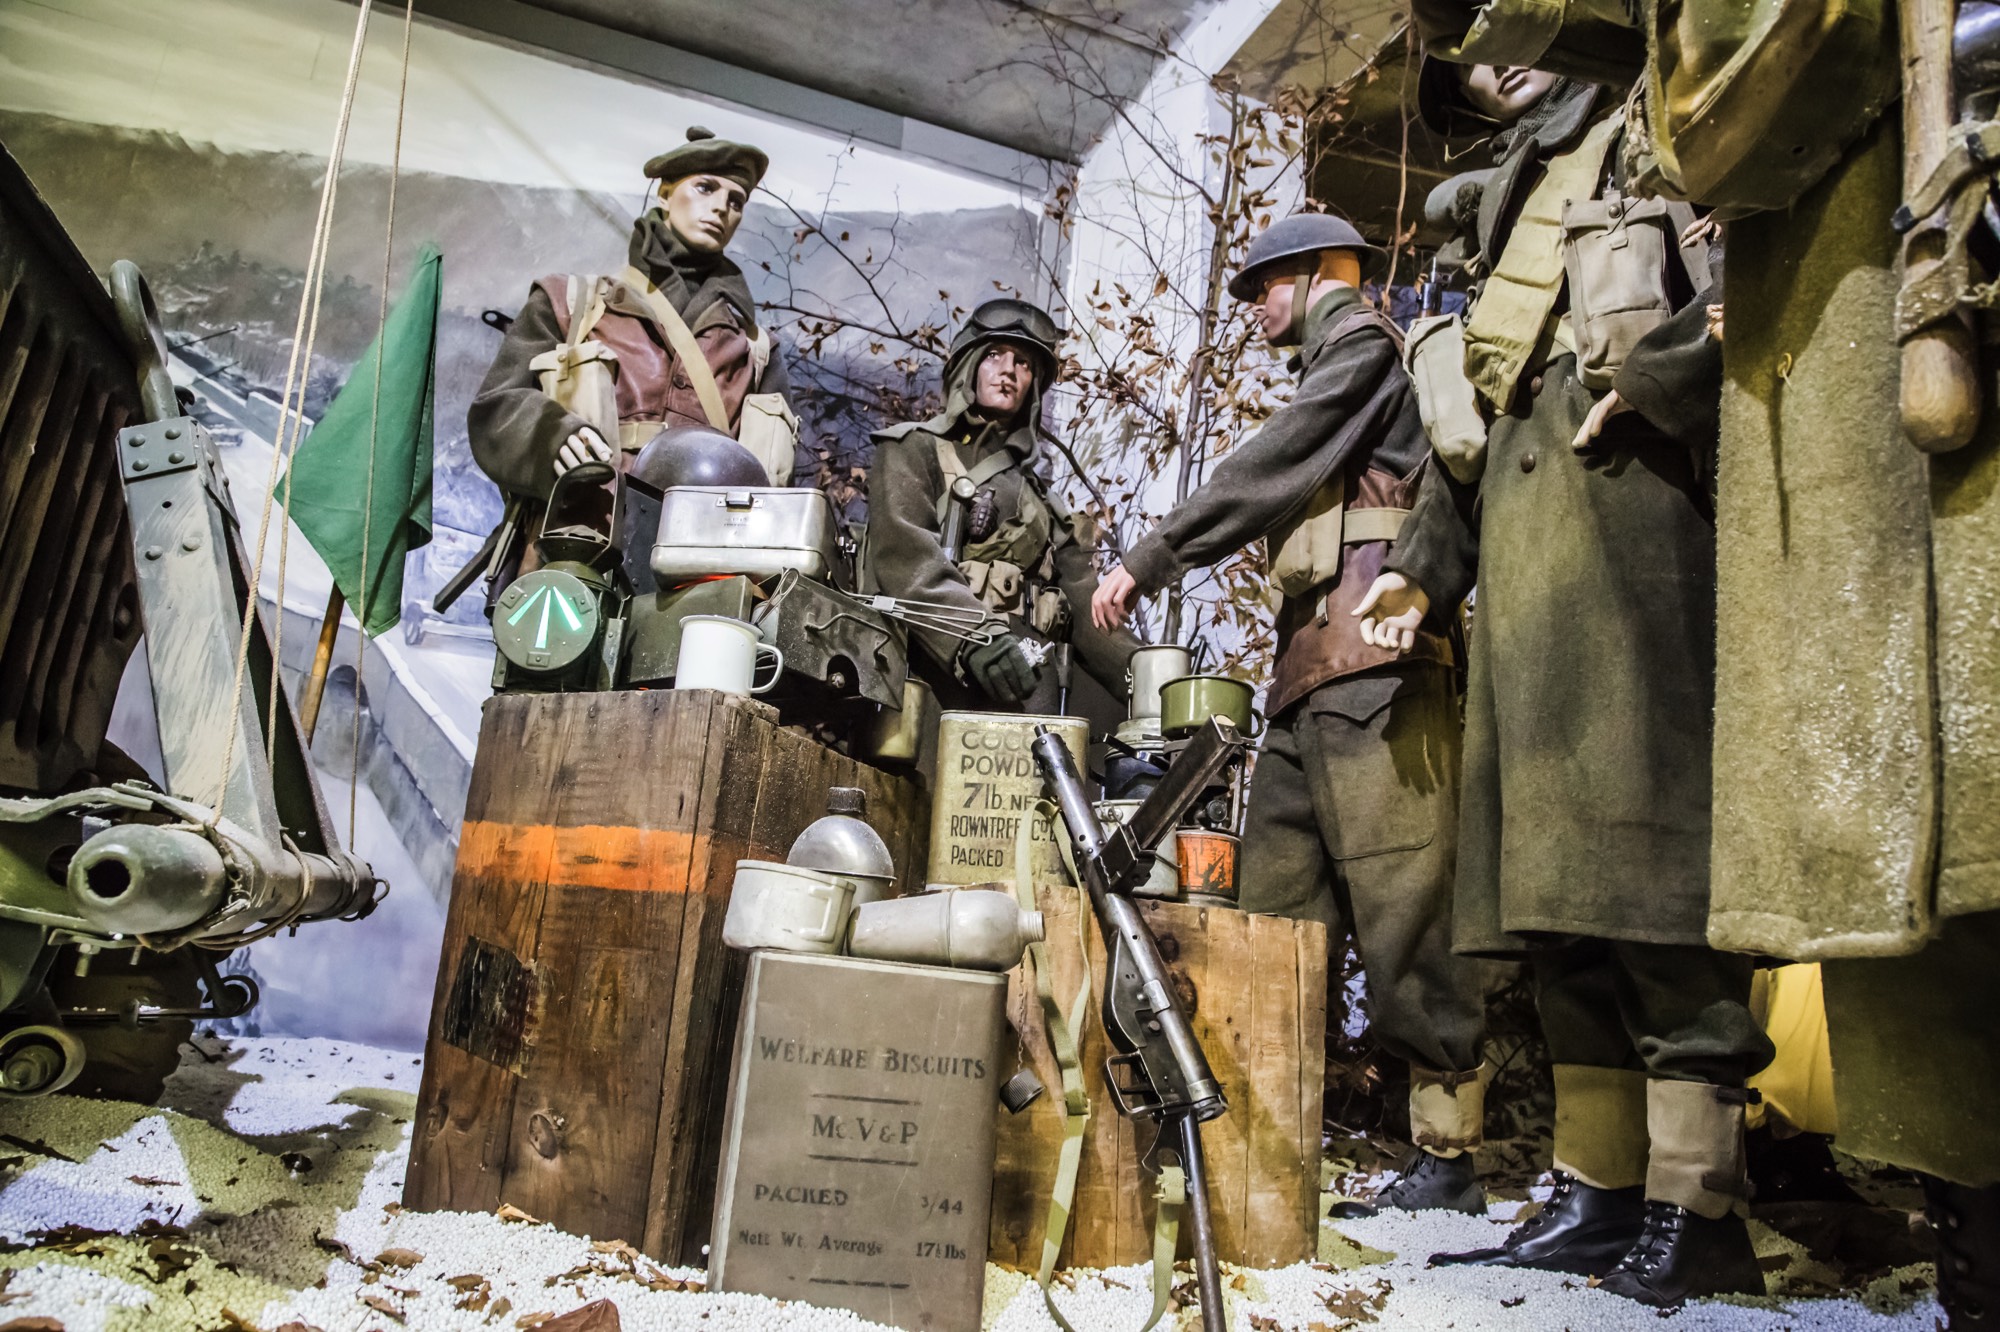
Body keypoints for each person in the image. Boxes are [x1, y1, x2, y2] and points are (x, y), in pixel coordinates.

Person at [1355, 62, 1769, 1304]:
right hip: (1531, 593)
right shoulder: (1515, 210)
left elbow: (1754, 274)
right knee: (1559, 913)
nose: (1500, 60)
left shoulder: (1662, 128)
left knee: (1649, 891)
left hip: (1637, 558)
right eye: (1478, 46)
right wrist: (1422, 571)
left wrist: (1657, 383)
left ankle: (1697, 1209)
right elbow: (1474, 425)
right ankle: (1601, 1193)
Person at [1092, 213, 1497, 1215]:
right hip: (1305, 678)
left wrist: (1152, 554)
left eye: (1267, 286)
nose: (1257, 308)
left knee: (1405, 908)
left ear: (1320, 275)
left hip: (1376, 672)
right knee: (1274, 915)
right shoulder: (1341, 363)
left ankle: (1445, 1161)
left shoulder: (1361, 351)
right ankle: (1264, 1138)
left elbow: (1271, 460)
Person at [454, 126, 795, 602]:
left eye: (736, 200)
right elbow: (497, 408)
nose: (721, 207)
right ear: (666, 190)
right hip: (571, 559)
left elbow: (781, 487)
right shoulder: (573, 303)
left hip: (699, 582)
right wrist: (550, 434)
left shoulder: (756, 351)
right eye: (705, 187)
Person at [863, 299, 1138, 724]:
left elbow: (1091, 617)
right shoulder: (914, 449)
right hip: (932, 684)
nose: (1009, 369)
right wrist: (973, 637)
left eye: (1025, 363)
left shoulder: (1044, 503)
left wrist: (1160, 683)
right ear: (969, 366)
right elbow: (907, 559)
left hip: (1029, 695)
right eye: (994, 355)